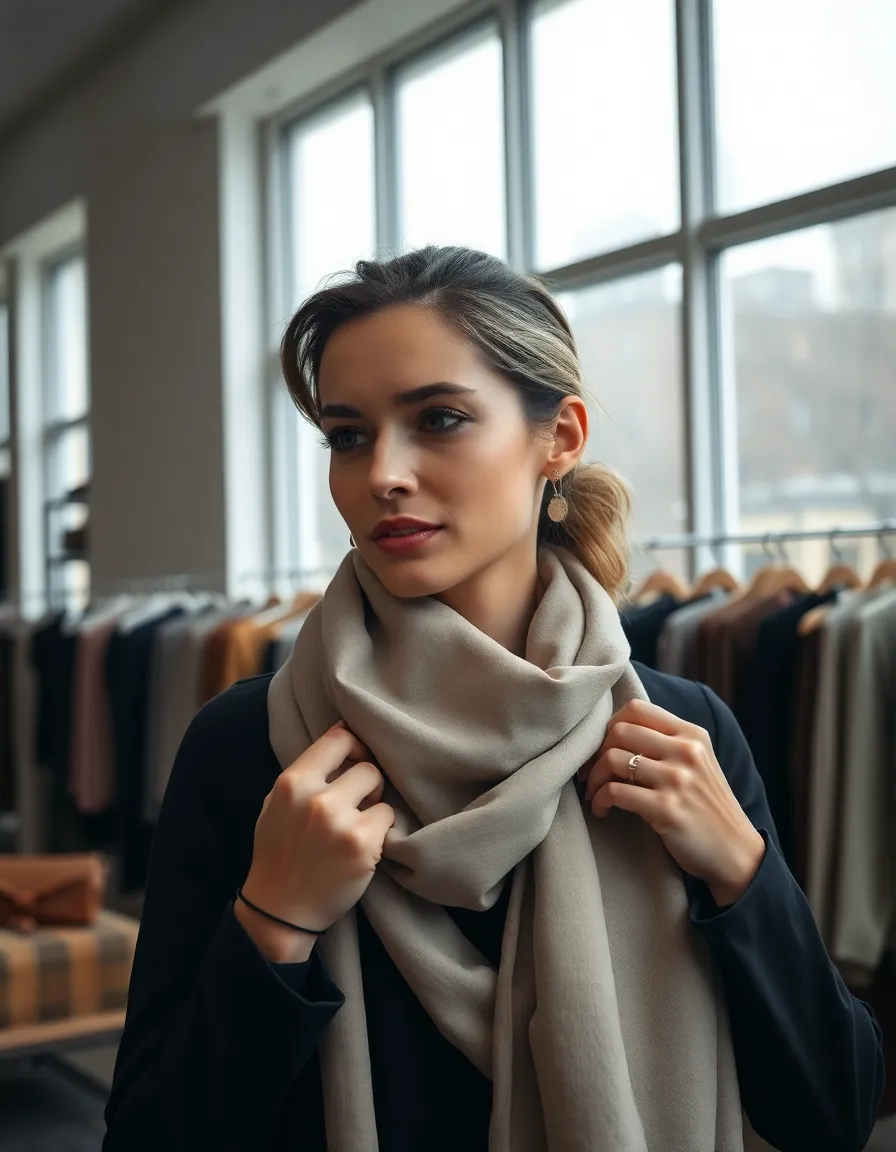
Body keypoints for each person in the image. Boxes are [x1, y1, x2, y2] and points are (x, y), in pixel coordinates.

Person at [103, 246, 884, 1152]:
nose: (383, 473)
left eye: (438, 419)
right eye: (348, 435)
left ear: (560, 437)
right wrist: (274, 921)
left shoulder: (677, 737)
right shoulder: (253, 746)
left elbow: (832, 1112)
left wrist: (745, 878)